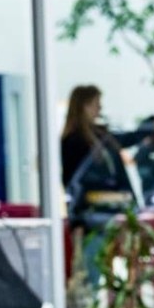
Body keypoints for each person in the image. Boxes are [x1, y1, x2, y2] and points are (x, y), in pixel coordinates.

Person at [59, 84, 135, 226]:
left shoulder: (100, 136)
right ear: (84, 107)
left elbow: (125, 139)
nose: (100, 109)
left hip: (107, 209)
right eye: (96, 104)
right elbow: (72, 179)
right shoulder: (74, 141)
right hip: (89, 212)